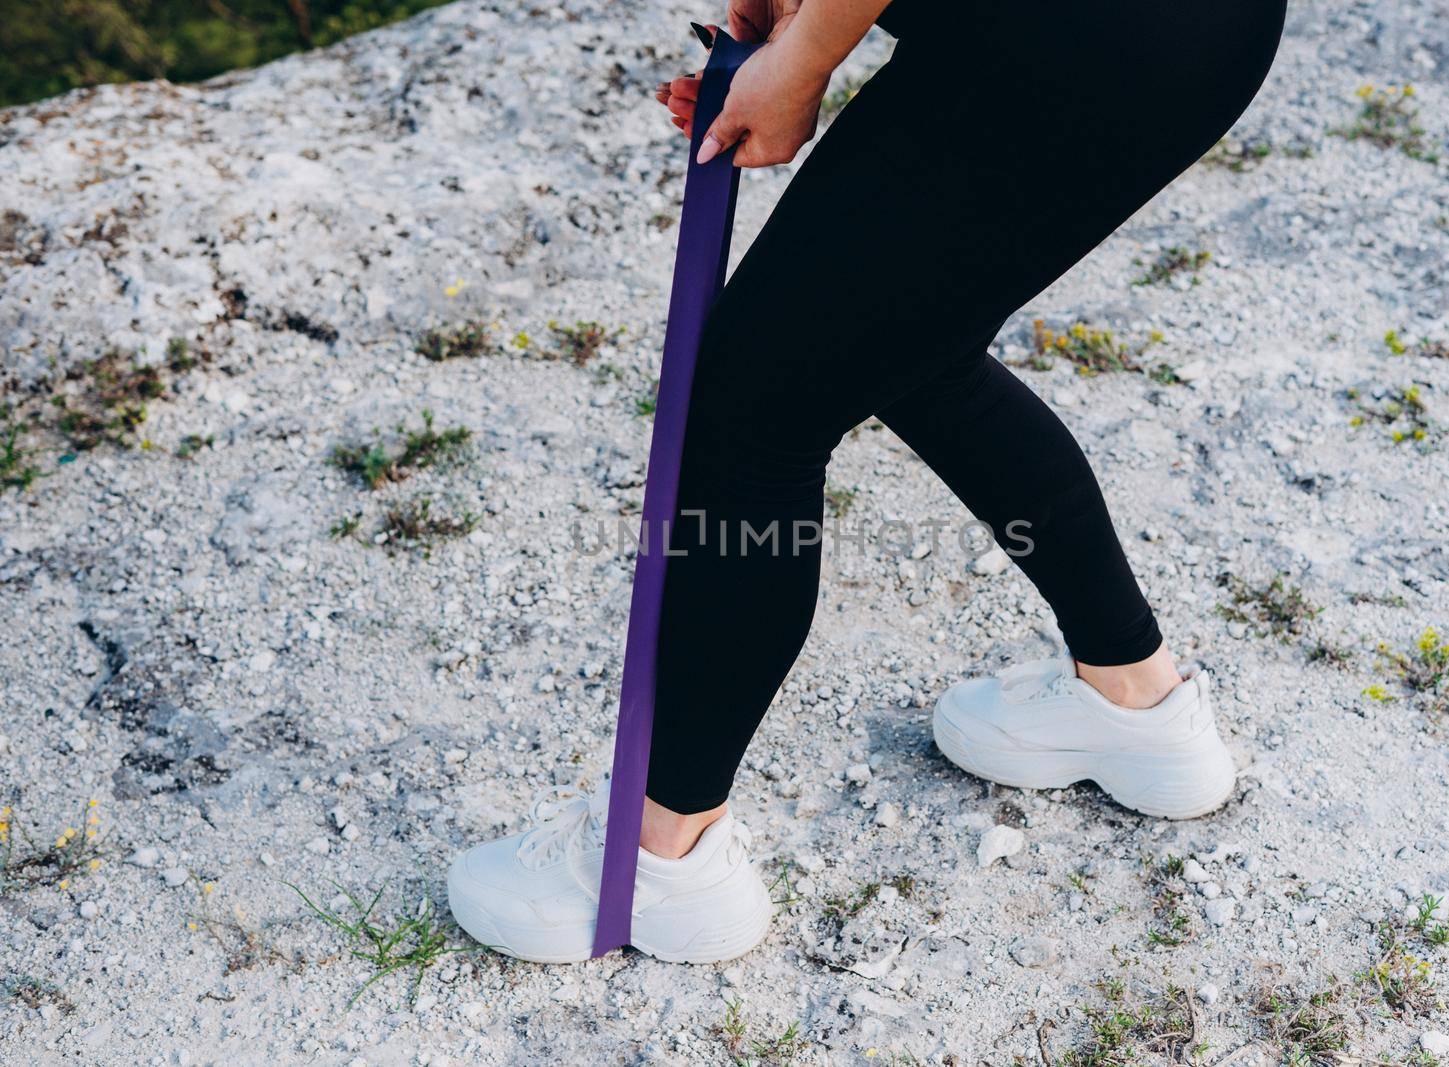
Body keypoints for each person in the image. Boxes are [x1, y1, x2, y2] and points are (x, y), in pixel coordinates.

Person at [448, 0, 1286, 963]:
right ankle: (1135, 698)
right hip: (1188, 31)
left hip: (1080, 34)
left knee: (758, 409)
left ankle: (659, 856)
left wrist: (804, 56)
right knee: (905, 343)